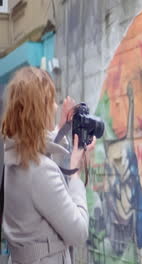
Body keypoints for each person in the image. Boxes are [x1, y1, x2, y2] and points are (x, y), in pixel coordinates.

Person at [1, 66, 95, 263]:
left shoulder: (10, 154)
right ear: (40, 109)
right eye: (51, 101)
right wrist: (75, 173)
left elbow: (34, 143)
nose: (55, 106)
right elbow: (78, 232)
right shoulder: (40, 170)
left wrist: (61, 128)